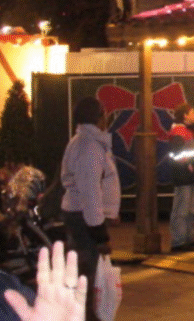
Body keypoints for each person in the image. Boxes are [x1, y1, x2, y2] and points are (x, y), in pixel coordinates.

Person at [58, 97, 120, 321]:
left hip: (81, 217)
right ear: (98, 117)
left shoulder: (87, 142)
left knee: (86, 273)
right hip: (84, 220)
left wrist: (111, 211)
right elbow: (90, 193)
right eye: (104, 114)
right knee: (88, 276)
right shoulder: (89, 147)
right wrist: (100, 234)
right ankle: (85, 316)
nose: (107, 119)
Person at [168, 103, 194, 252]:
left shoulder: (185, 131)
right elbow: (177, 154)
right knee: (182, 209)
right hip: (184, 175)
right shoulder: (179, 131)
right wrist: (188, 165)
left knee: (189, 208)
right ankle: (179, 241)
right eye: (193, 112)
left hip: (189, 175)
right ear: (185, 116)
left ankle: (188, 238)